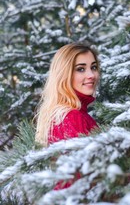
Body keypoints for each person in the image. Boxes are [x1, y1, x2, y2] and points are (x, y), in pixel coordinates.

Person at [35, 42, 100, 189]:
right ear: (64, 74)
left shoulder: (62, 114)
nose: (91, 75)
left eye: (93, 67)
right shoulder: (72, 117)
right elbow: (76, 184)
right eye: (80, 69)